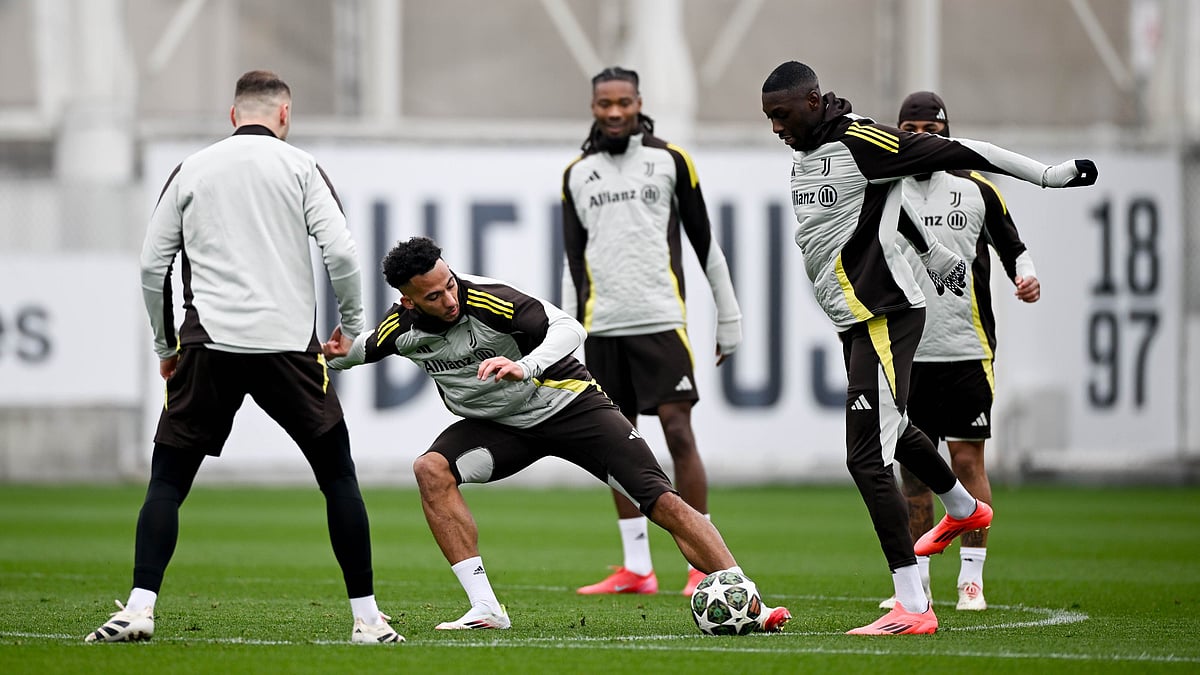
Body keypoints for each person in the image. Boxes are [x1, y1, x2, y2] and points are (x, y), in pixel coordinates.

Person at [760, 61, 1097, 635]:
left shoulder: (860, 139)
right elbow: (884, 203)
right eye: (769, 118)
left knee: (866, 457)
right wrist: (933, 252)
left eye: (783, 115)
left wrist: (1049, 175)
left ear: (814, 101)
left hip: (885, 316)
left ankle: (912, 605)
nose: (776, 128)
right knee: (902, 431)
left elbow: (966, 151)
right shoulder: (807, 150)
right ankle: (966, 509)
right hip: (854, 318)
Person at [322, 236, 789, 632]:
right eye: (433, 297)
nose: (449, 299)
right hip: (502, 427)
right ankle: (486, 608)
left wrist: (524, 367)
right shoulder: (398, 328)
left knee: (662, 502)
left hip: (571, 405)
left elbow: (569, 328)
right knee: (430, 469)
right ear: (407, 301)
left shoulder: (488, 299)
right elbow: (354, 351)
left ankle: (752, 603)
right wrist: (328, 353)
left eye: (449, 284)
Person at [87, 71, 402, 644]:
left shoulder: (192, 168)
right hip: (288, 348)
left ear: (233, 116)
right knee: (338, 479)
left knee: (167, 483)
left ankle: (138, 608)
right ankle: (366, 619)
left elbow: (152, 266)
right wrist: (352, 331)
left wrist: (166, 346)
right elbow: (343, 254)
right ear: (284, 115)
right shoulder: (302, 168)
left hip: (209, 346)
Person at [561, 66, 743, 597]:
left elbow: (706, 245)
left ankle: (704, 563)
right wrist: (570, 335)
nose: (614, 112)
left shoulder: (670, 160)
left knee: (678, 433)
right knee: (616, 445)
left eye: (623, 102)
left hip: (661, 320)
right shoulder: (576, 173)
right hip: (601, 328)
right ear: (593, 107)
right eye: (604, 104)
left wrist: (727, 317)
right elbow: (574, 262)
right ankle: (637, 568)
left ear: (639, 102)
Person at [876, 91, 1042, 613]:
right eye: (911, 127)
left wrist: (1026, 274)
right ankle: (916, 579)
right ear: (897, 132)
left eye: (932, 126)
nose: (921, 135)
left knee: (968, 459)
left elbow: (1012, 246)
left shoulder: (977, 189)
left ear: (948, 132)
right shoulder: (885, 188)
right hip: (907, 348)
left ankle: (972, 581)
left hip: (967, 346)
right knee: (913, 470)